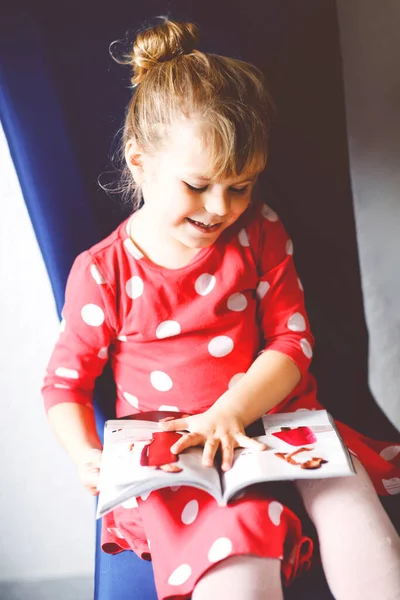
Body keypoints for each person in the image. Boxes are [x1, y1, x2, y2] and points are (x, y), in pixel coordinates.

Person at [42, 17, 400, 600]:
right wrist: (85, 455)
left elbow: (292, 343)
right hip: (180, 449)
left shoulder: (260, 232)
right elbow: (63, 386)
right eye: (199, 185)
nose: (220, 208)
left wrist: (234, 409)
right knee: (235, 564)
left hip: (277, 421)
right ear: (139, 163)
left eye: (241, 186)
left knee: (355, 514)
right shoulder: (104, 271)